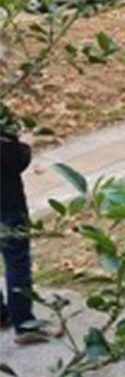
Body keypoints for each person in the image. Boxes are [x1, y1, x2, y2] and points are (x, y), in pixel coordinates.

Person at [1, 132, 61, 345]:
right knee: (16, 258)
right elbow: (10, 158)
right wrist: (25, 145)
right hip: (5, 200)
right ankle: (24, 323)